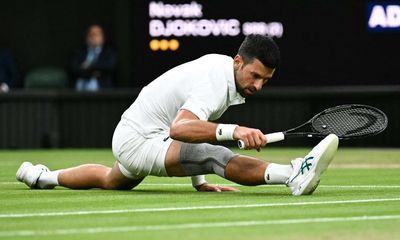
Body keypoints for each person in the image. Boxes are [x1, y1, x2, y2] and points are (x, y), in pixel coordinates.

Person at [16, 35, 338, 195]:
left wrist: (198, 180)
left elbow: (194, 126)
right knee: (215, 154)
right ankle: (293, 175)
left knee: (110, 179)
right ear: (238, 61)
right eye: (254, 76)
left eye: (265, 80)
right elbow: (182, 128)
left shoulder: (223, 72)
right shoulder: (215, 81)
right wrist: (235, 130)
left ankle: (42, 177)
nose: (258, 85)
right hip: (141, 139)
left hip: (131, 134)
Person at [69, 24, 116, 91]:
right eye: (91, 34)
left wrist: (88, 66)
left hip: (102, 90)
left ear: (102, 37)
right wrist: (94, 72)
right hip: (80, 88)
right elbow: (74, 68)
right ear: (86, 37)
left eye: (96, 35)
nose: (94, 37)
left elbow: (109, 66)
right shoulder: (78, 52)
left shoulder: (108, 52)